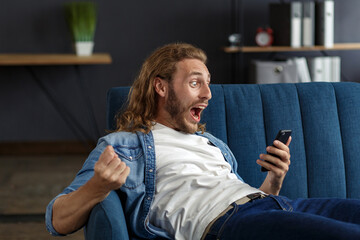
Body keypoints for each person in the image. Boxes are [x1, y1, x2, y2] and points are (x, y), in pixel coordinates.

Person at [46, 43, 360, 240]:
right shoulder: (125, 145)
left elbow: (241, 197)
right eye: (195, 83)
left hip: (278, 206)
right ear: (161, 87)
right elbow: (57, 220)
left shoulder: (211, 143)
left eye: (207, 84)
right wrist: (98, 186)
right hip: (227, 225)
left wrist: (274, 180)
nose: (208, 95)